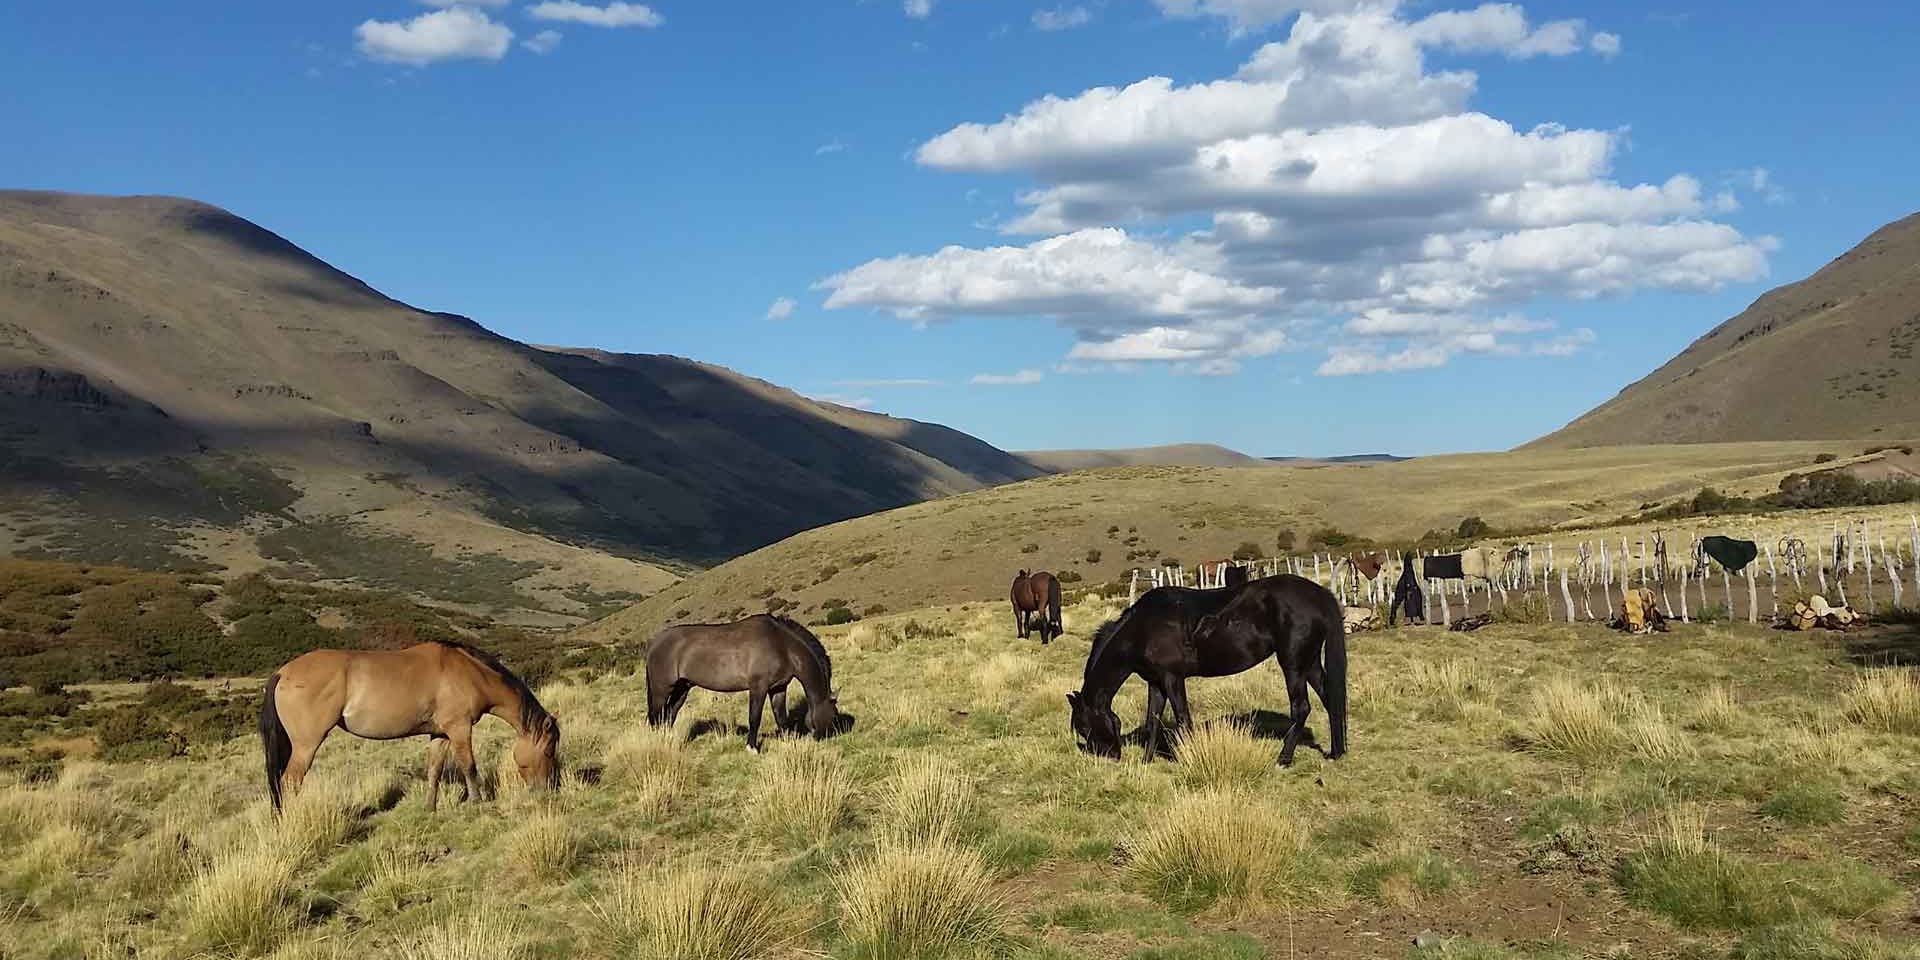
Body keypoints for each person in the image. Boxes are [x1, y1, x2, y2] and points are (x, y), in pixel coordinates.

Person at [1389, 552, 1425, 626]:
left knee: (1415, 598)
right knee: (1412, 600)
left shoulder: (1409, 570)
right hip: (1408, 588)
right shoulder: (1408, 571)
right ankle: (1416, 617)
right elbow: (1409, 580)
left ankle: (1418, 616)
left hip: (1409, 588)